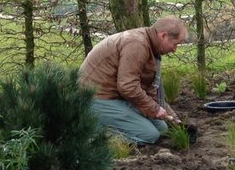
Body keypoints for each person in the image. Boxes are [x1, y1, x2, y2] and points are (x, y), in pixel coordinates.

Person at [78, 16, 187, 144]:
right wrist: (155, 109)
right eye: (175, 44)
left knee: (162, 128)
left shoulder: (150, 46)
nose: (174, 50)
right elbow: (127, 87)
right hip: (95, 98)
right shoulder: (137, 45)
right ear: (163, 36)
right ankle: (92, 132)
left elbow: (149, 89)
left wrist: (174, 119)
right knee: (149, 135)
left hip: (116, 97)